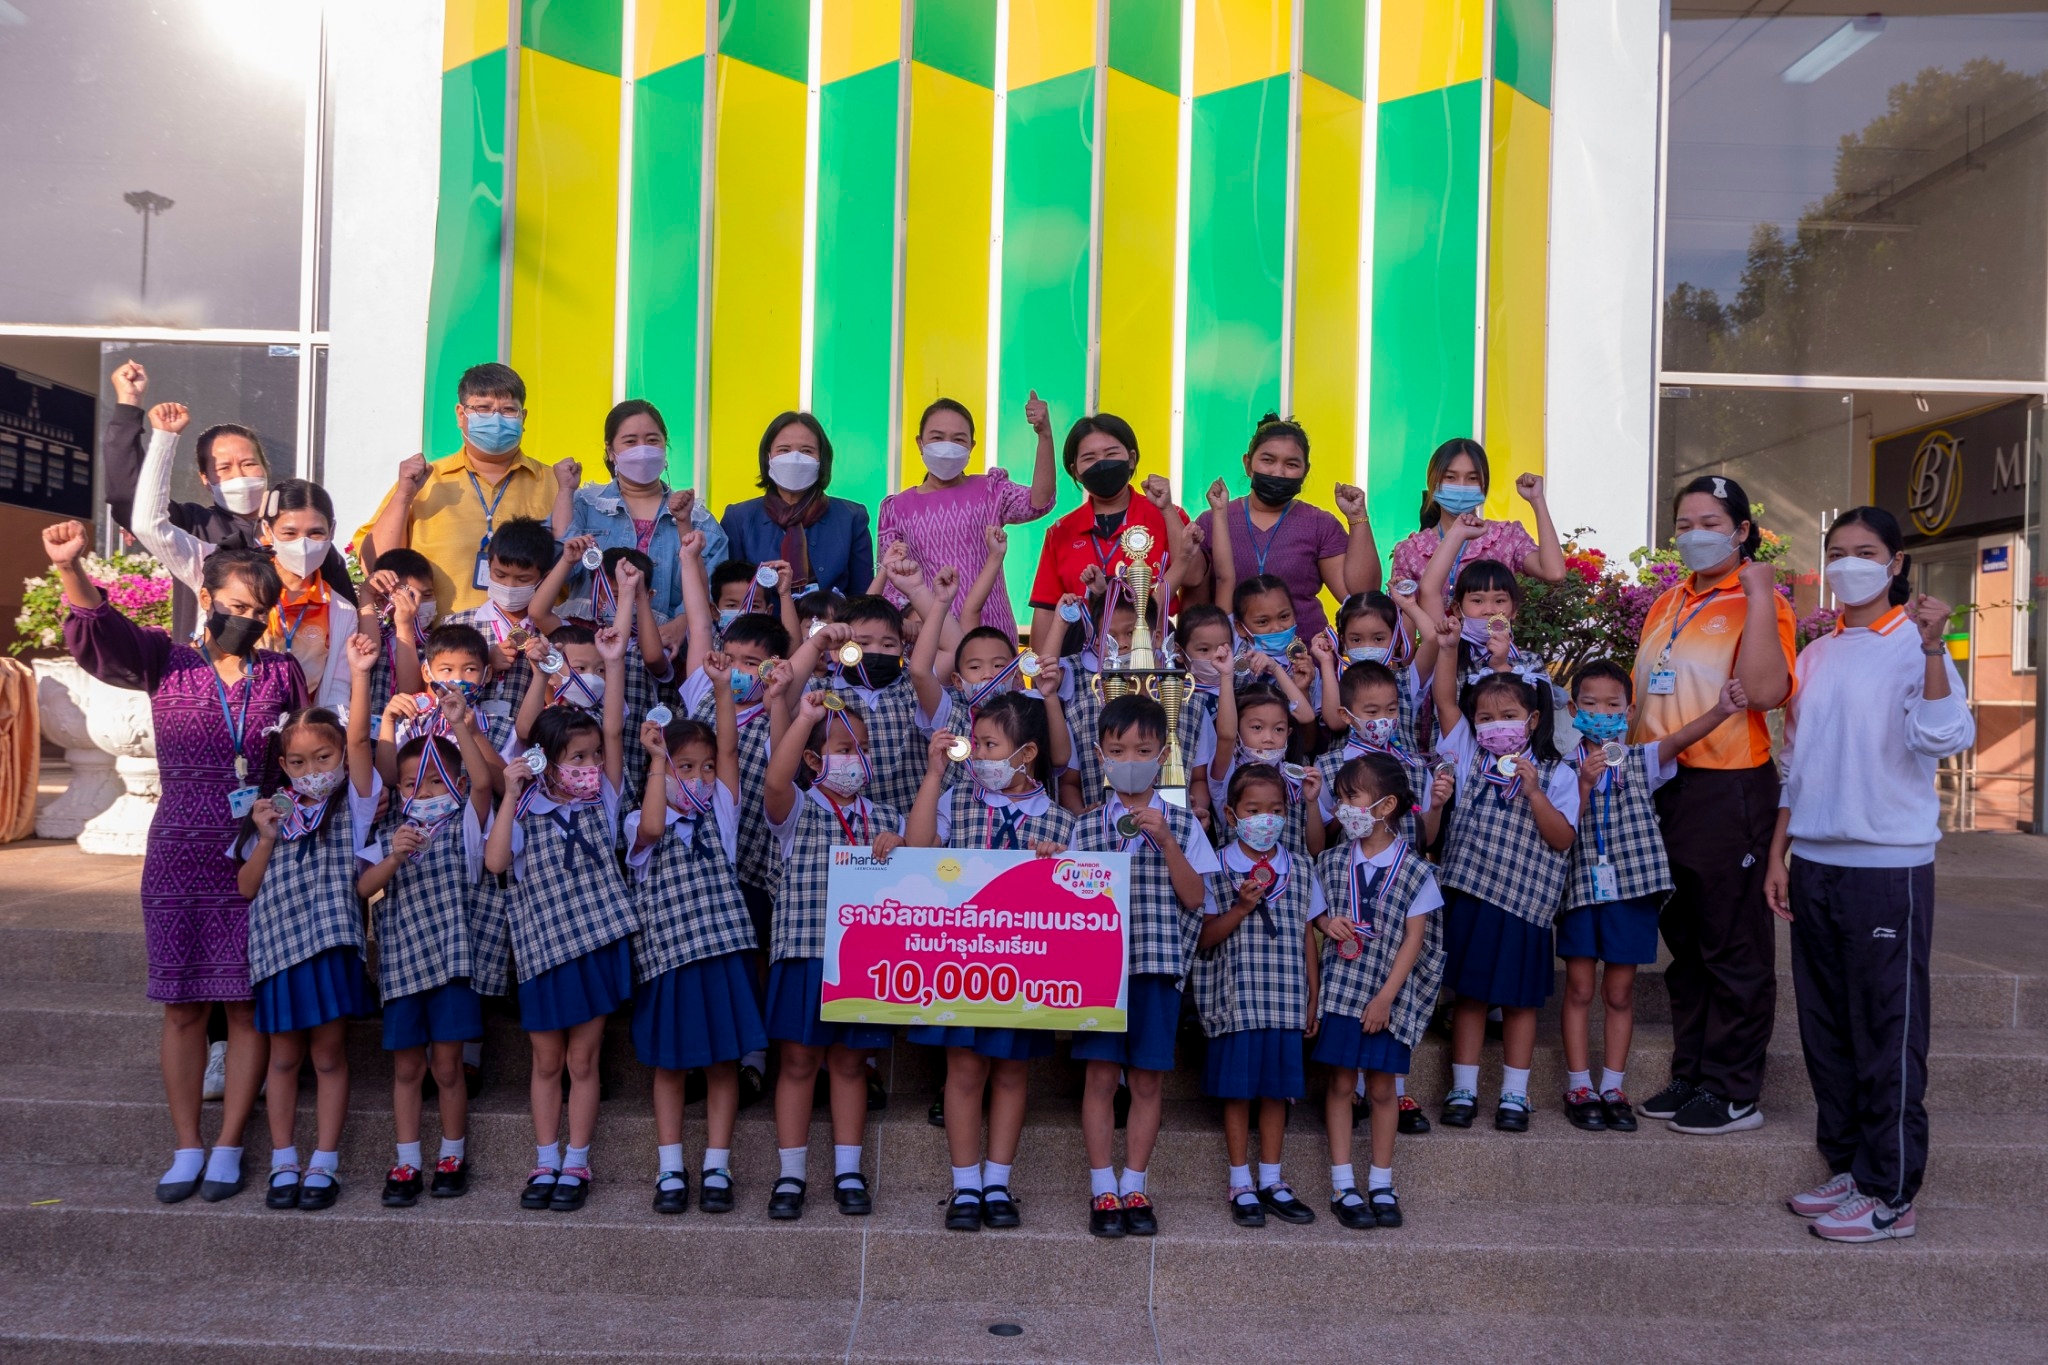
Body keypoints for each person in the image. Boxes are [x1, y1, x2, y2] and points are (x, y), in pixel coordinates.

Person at [53, 524, 308, 1204]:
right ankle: (187, 1143)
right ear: (207, 596)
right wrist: (71, 567)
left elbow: (305, 756)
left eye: (260, 610)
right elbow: (101, 635)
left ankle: (229, 1144)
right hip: (178, 855)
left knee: (245, 1006)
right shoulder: (165, 659)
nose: (247, 619)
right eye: (237, 605)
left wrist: (283, 817)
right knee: (183, 1007)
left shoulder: (281, 672)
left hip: (254, 857)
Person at [1764, 508, 1973, 1243]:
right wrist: (1780, 853)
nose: (1849, 563)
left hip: (1888, 869)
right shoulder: (1818, 653)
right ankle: (1850, 1168)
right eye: (1838, 551)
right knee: (1827, 1030)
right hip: (1816, 863)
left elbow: (1943, 735)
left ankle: (1890, 1192)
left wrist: (1935, 647)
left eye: (1866, 551)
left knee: (1888, 1030)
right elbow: (1796, 763)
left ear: (1896, 563)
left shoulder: (1916, 645)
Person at [1629, 474, 1795, 1137]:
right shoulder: (1667, 601)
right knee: (1687, 945)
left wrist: (1757, 596)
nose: (1695, 535)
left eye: (1710, 523)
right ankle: (1693, 1074)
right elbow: (1644, 695)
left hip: (1730, 788)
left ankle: (1733, 1090)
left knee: (1734, 944)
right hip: (1663, 787)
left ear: (1742, 531)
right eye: (1685, 524)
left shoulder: (1761, 600)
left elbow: (1766, 690)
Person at [482, 630, 639, 1213]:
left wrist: (614, 663)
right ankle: (544, 1158)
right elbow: (496, 862)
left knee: (582, 1059)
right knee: (547, 1060)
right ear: (545, 762)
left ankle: (577, 1160)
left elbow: (614, 729)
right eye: (578, 758)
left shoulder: (604, 799)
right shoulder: (525, 810)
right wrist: (509, 794)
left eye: (594, 757)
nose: (591, 765)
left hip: (595, 945)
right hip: (543, 951)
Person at [907, 694, 1075, 1232]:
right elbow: (917, 848)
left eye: (988, 745)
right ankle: (965, 1185)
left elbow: (1075, 901)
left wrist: (1058, 865)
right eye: (975, 744)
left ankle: (998, 1181)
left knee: (1010, 1072)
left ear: (1026, 753)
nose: (977, 754)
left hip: (1024, 971)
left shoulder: (1060, 823)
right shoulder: (957, 800)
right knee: (963, 1070)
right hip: (962, 964)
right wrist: (935, 775)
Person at [1557, 662, 1746, 1133]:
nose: (1602, 713)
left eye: (1613, 705)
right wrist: (1582, 783)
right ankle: (1579, 1086)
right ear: (1573, 709)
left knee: (1619, 992)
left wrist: (1722, 710)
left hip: (1632, 891)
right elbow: (1558, 825)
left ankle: (1613, 1087)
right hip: (1579, 889)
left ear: (1629, 711)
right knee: (1579, 988)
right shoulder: (1561, 767)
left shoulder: (1640, 760)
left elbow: (1680, 739)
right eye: (1591, 704)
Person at [235, 656, 381, 1212]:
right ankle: (282, 1160)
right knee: (282, 1060)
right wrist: (266, 837)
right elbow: (246, 887)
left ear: (342, 755)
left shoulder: (357, 805)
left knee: (328, 1056)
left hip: (330, 948)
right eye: (297, 761)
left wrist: (360, 673)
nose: (312, 769)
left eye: (324, 757)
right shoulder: (269, 813)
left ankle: (324, 1161)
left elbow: (362, 738)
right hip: (276, 953)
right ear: (282, 765)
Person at [1069, 695, 1219, 1238]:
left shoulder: (1183, 825)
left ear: (1162, 755)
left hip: (1157, 969)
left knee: (1148, 1081)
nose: (1129, 759)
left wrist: (1167, 839)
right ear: (1100, 756)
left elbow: (1196, 897)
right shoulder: (1085, 827)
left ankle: (1135, 1183)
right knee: (1100, 1076)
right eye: (1117, 751)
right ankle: (1102, 1187)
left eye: (1141, 750)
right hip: (1099, 974)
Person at [625, 675, 769, 1216]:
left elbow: (728, 749)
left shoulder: (722, 814)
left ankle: (717, 1164)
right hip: (669, 962)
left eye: (705, 768)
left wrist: (723, 690)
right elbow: (654, 827)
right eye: (686, 767)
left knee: (724, 1064)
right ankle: (669, 1167)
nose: (701, 777)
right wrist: (657, 761)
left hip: (723, 958)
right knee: (669, 1067)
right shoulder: (639, 818)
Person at [354, 676, 498, 1209]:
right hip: (403, 967)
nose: (426, 791)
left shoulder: (467, 825)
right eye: (413, 782)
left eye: (437, 780)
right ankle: (407, 1158)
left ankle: (452, 1155)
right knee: (407, 1068)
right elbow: (364, 888)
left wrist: (460, 724)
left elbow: (482, 786)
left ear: (455, 782)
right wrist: (393, 855)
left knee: (448, 1066)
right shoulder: (391, 831)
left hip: (453, 967)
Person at [761, 691, 906, 1220]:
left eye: (863, 748)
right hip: (805, 950)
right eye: (845, 749)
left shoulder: (886, 817)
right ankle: (791, 1174)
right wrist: (805, 717)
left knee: (850, 1063)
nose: (856, 759)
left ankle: (848, 1171)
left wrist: (902, 845)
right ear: (814, 758)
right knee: (799, 1062)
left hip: (862, 961)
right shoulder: (796, 809)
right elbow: (775, 782)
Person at [1429, 619, 1578, 1133]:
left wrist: (1534, 792)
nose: (1497, 726)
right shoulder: (1469, 756)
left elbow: (1562, 839)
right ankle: (1463, 1088)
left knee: (1519, 1001)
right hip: (1471, 895)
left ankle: (1515, 1093)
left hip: (1526, 905)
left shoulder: (1558, 774)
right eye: (1486, 718)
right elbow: (1445, 702)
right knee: (1469, 997)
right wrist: (1447, 648)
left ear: (1533, 719)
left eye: (1509, 716)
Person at [127, 405, 360, 710]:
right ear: (268, 530)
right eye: (289, 532)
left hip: (298, 738)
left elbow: (336, 695)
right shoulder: (220, 569)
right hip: (220, 724)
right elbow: (147, 525)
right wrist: (164, 439)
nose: (303, 544)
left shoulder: (341, 611)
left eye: (315, 533)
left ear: (331, 532)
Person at [100, 360, 354, 636]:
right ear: (205, 479)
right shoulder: (194, 525)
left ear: (265, 468)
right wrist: (129, 406)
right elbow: (130, 498)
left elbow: (347, 613)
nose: (239, 475)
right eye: (224, 468)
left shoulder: (306, 538)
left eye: (248, 464)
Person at [1311, 752, 1446, 1230]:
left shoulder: (1417, 870)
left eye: (1352, 797)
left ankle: (1382, 1182)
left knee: (1383, 1088)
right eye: (1340, 798)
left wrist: (1386, 997)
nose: (1342, 807)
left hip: (1388, 997)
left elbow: (1415, 939)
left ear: (1385, 805)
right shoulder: (1330, 862)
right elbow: (1316, 914)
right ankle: (1342, 1184)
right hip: (1341, 991)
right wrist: (1327, 923)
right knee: (1341, 1085)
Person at [1194, 764, 1323, 1229]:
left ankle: (1271, 1178)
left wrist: (1312, 997)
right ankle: (1240, 1181)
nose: (1264, 819)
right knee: (1238, 1092)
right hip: (1236, 1000)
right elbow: (1205, 937)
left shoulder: (1301, 867)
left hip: (1285, 999)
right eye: (1253, 810)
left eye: (1275, 810)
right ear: (1231, 815)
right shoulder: (1214, 866)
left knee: (1276, 1092)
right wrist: (1241, 907)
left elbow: (1308, 935)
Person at [355, 363, 581, 615]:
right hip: (443, 636)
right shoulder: (424, 482)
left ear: (523, 417)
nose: (496, 419)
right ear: (461, 415)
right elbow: (376, 567)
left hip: (534, 635)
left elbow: (577, 569)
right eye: (483, 408)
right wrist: (403, 496)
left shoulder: (558, 484)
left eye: (508, 410)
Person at [876, 395, 1058, 634]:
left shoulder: (991, 491)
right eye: (937, 437)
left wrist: (1044, 435)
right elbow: (890, 582)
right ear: (920, 443)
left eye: (958, 439)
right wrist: (917, 622)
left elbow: (1038, 502)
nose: (947, 446)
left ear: (971, 447)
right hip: (930, 637)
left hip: (991, 636)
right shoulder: (896, 508)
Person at [554, 398, 729, 625]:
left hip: (665, 642)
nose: (643, 450)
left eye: (652, 440)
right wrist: (565, 491)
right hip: (589, 639)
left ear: (665, 446)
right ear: (610, 451)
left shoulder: (699, 520)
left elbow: (715, 590)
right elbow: (562, 568)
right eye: (630, 441)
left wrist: (680, 624)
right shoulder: (585, 504)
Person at [1196, 414, 1377, 633]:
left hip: (1306, 651)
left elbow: (1361, 597)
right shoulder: (1213, 521)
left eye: (1291, 464)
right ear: (1248, 464)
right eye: (1268, 460)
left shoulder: (1321, 524)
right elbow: (1195, 607)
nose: (1278, 472)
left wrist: (1357, 517)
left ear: (1305, 471)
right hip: (1230, 652)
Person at [1025, 414, 1195, 646]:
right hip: (1081, 653)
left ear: (1131, 459)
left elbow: (1193, 577)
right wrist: (1040, 664)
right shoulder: (1060, 532)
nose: (1102, 464)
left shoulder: (1168, 515)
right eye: (1089, 458)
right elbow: (1046, 610)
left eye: (1111, 454)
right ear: (1076, 471)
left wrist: (1166, 510)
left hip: (1151, 650)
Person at [1391, 438, 1566, 605]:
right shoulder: (1409, 551)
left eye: (1472, 478)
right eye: (1450, 477)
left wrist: (1537, 500)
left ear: (1484, 485)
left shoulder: (1507, 536)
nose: (1461, 486)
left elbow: (1554, 572)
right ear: (1433, 482)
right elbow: (1403, 617)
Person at [720, 412, 873, 597]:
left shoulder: (851, 517)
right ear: (768, 457)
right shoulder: (738, 518)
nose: (795, 458)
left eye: (807, 451)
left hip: (833, 615)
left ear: (822, 459)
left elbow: (862, 597)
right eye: (784, 450)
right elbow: (730, 596)